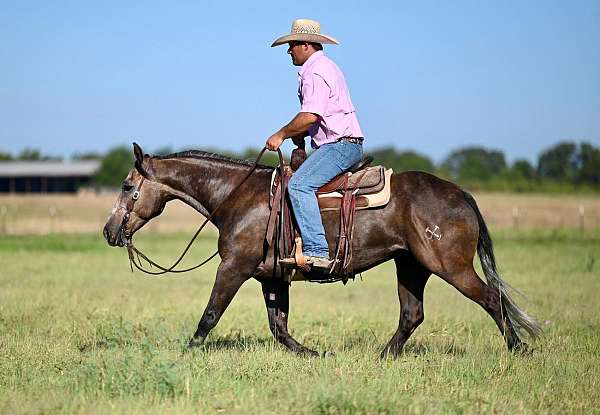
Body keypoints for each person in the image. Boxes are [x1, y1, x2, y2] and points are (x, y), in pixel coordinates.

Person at [266, 18, 365, 270]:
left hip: (340, 146)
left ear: (307, 45)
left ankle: (318, 251)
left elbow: (311, 115)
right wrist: (300, 134)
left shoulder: (315, 72)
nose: (289, 51)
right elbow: (317, 117)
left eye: (292, 45)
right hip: (341, 143)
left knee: (299, 186)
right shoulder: (323, 67)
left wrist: (281, 134)